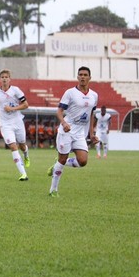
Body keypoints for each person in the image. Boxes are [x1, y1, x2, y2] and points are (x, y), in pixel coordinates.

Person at [47, 66, 99, 197]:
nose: (82, 77)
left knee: (83, 161)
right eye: (80, 74)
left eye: (85, 75)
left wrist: (92, 134)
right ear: (77, 77)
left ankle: (56, 165)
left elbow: (92, 114)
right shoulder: (70, 93)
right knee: (62, 159)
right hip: (67, 131)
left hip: (80, 133)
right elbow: (59, 111)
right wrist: (64, 123)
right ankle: (53, 190)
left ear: (89, 78)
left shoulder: (94, 95)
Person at [0, 69, 31, 181]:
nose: (4, 79)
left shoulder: (16, 90)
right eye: (2, 77)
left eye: (6, 77)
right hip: (5, 124)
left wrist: (12, 108)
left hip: (17, 121)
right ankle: (23, 174)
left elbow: (26, 105)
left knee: (22, 145)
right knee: (13, 146)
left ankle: (26, 155)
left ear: (10, 79)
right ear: (0, 79)